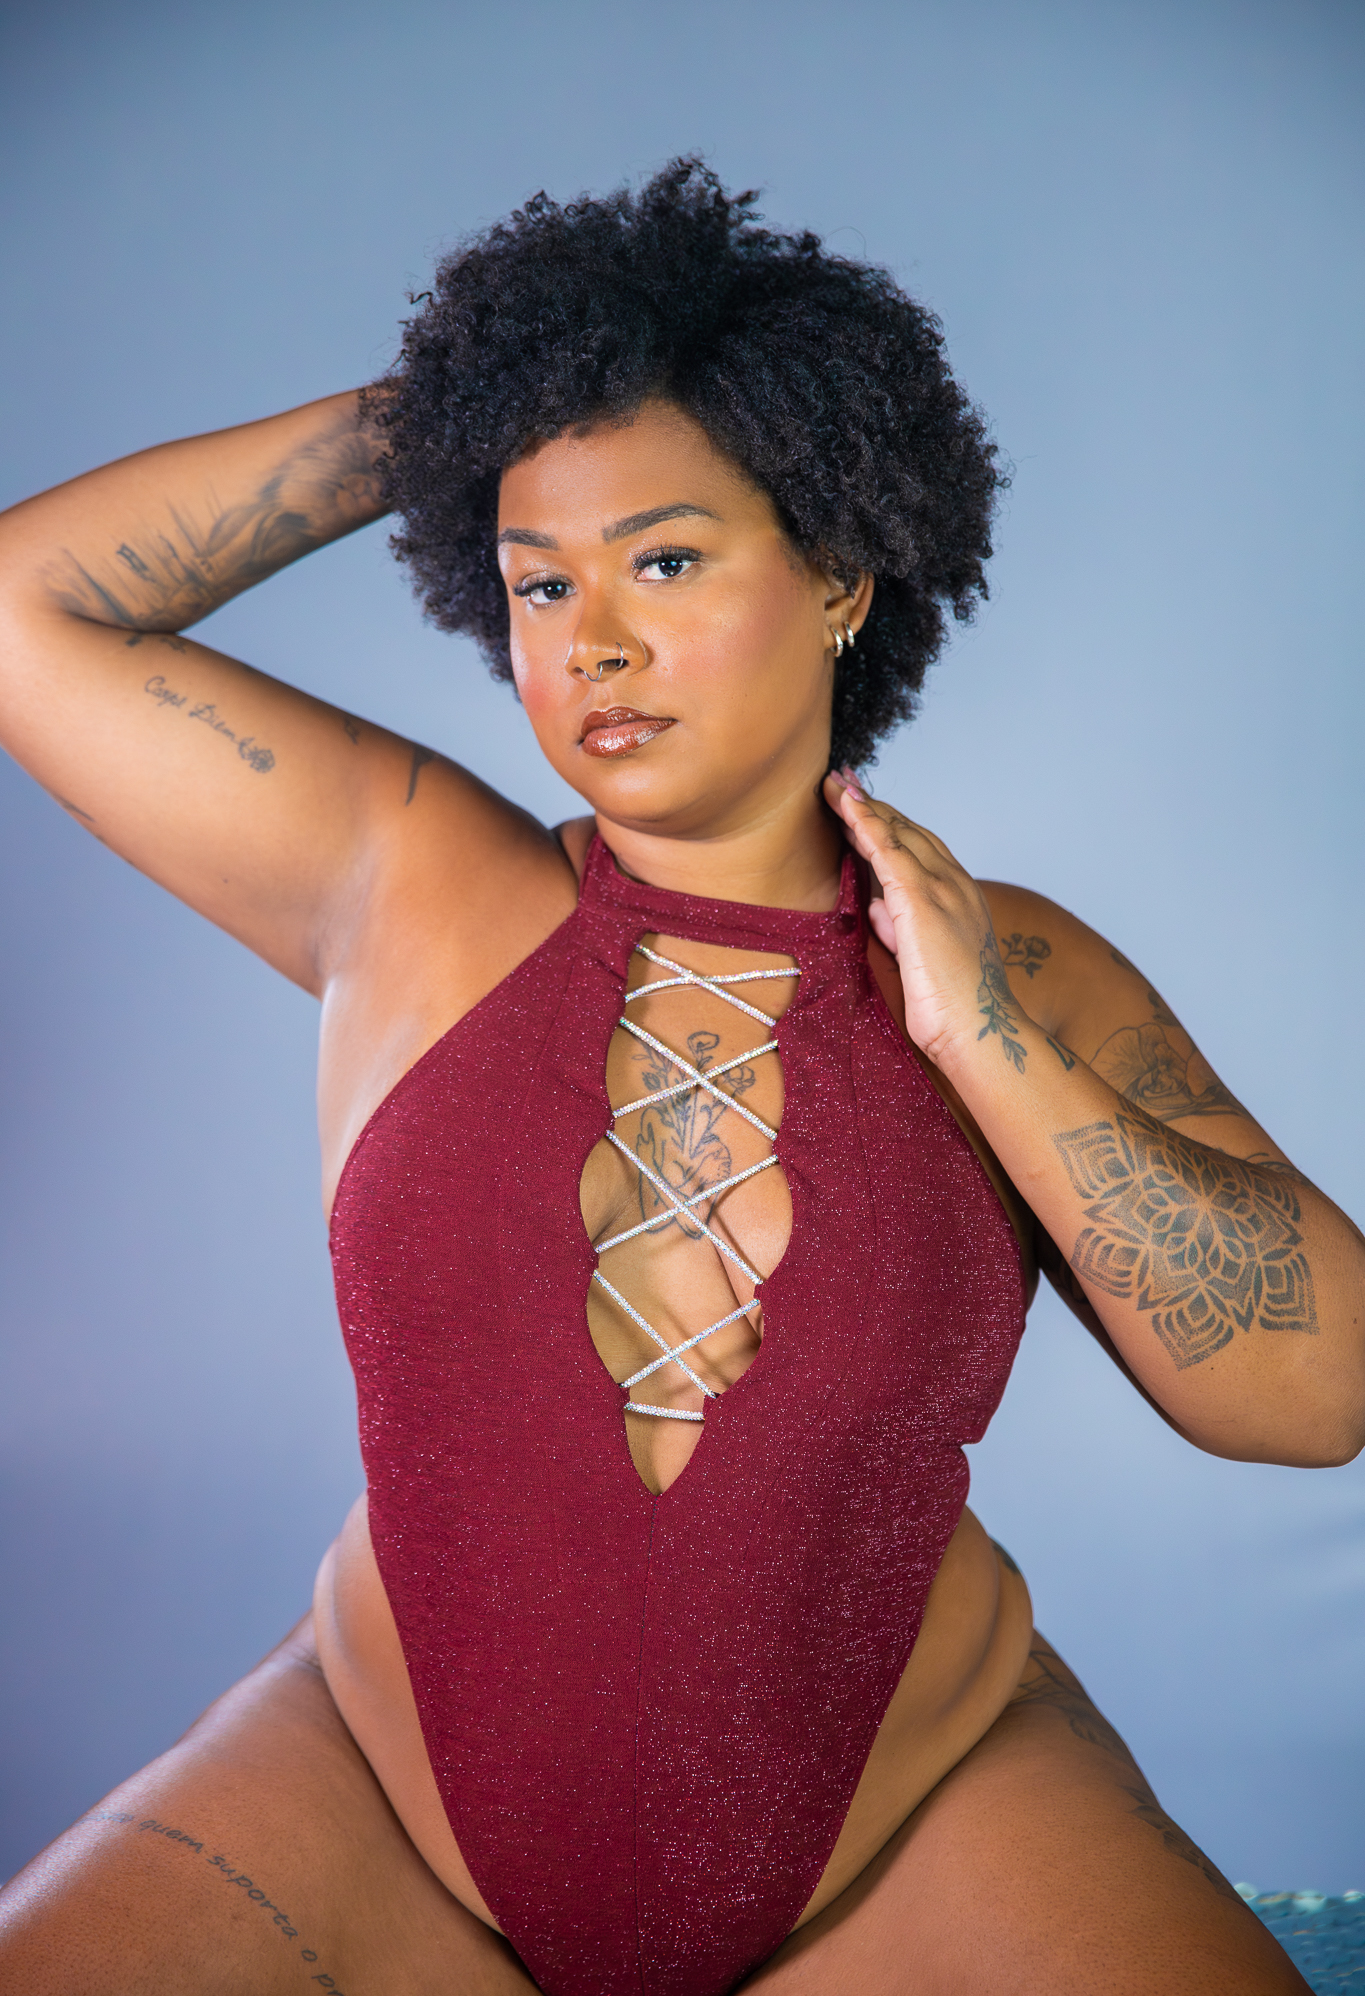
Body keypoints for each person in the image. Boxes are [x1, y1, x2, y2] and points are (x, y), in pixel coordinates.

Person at [0, 160, 1355, 1996]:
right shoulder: (406, 875)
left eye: (662, 557)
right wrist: (465, 407)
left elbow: (1314, 1397)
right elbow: (27, 608)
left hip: (911, 1840)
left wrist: (981, 1037)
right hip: (378, 1825)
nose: (594, 642)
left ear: (840, 573)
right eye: (536, 581)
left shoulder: (1018, 966)